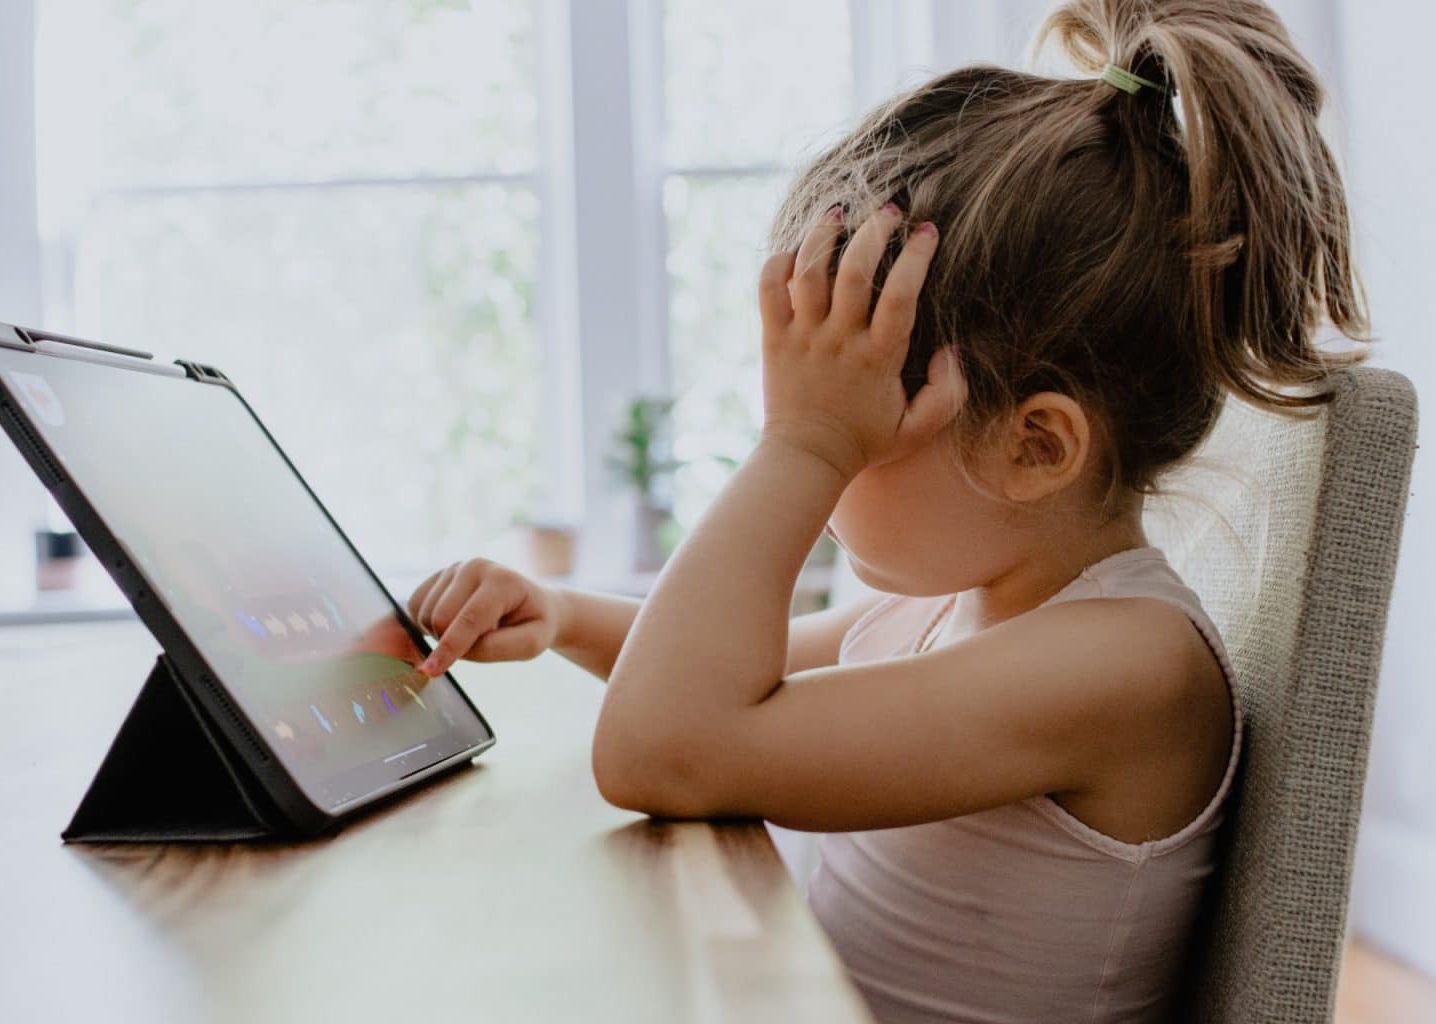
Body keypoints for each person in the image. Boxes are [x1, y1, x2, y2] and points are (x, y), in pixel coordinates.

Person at [407, 0, 1367, 1018]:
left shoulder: (1128, 667)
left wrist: (802, 446)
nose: (817, 478)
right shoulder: (971, 605)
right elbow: (740, 662)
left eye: (854, 425)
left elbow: (664, 744)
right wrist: (559, 611)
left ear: (1033, 448)